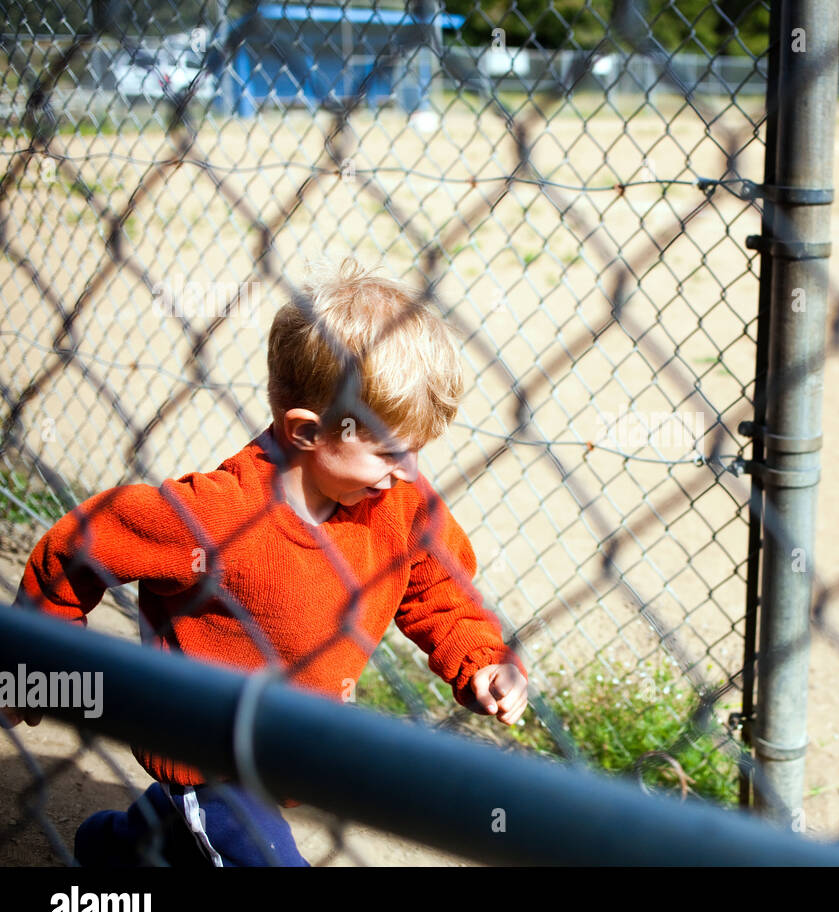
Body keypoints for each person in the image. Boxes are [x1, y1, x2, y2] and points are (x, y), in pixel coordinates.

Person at [3, 257, 528, 866]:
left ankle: (119, 847)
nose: (406, 473)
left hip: (291, 745)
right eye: (388, 453)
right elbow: (82, 542)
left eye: (414, 454)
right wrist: (34, 659)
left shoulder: (397, 501)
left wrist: (483, 660)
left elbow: (440, 588)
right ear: (306, 432)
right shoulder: (216, 517)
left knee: (182, 833)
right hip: (207, 750)